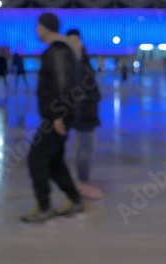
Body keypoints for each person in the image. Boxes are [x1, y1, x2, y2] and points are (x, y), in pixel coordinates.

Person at [21, 13, 83, 223]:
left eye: (38, 26)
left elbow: (62, 83)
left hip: (57, 115)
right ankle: (75, 199)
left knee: (36, 158)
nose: (36, 30)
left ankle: (44, 207)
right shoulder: (60, 50)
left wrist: (58, 115)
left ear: (47, 28)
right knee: (54, 160)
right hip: (59, 114)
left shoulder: (56, 51)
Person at [66, 29, 103, 199]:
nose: (75, 43)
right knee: (85, 149)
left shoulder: (84, 61)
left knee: (86, 148)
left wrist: (94, 97)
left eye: (77, 40)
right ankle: (83, 183)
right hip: (81, 113)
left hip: (88, 111)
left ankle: (82, 182)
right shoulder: (71, 63)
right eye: (71, 40)